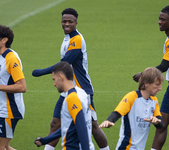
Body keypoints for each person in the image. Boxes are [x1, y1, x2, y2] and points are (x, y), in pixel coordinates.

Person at [32, 8, 109, 150]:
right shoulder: (67, 38)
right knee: (55, 123)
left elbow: (65, 63)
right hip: (67, 88)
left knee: (93, 126)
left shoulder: (77, 39)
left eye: (70, 21)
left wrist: (41, 72)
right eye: (64, 21)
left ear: (76, 23)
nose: (67, 24)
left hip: (82, 90)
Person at [133, 5, 169, 150]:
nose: (159, 22)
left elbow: (163, 66)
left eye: (163, 19)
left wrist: (143, 75)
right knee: (161, 125)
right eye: (159, 19)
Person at [34, 61, 95, 150]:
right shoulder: (81, 93)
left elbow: (81, 128)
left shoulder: (71, 98)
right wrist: (46, 140)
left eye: (54, 79)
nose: (54, 84)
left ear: (61, 77)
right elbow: (69, 126)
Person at [100, 67, 164, 150]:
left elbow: (160, 124)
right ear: (146, 83)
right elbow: (117, 112)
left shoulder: (154, 100)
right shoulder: (132, 97)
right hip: (126, 147)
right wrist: (109, 121)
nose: (160, 88)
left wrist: (156, 122)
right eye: (157, 84)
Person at [0, 25, 26, 150]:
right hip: (5, 109)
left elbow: (22, 87)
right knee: (3, 147)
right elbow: (8, 82)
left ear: (4, 40)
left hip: (10, 110)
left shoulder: (11, 59)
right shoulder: (1, 57)